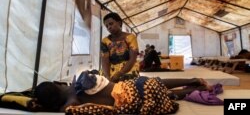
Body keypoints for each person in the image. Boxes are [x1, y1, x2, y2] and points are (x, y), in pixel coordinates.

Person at [34, 70, 213, 114]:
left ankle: (198, 88)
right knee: (160, 83)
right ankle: (195, 81)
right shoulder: (74, 82)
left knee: (165, 95)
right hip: (130, 85)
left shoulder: (70, 104)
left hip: (132, 98)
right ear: (56, 86)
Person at [101, 12, 139, 83]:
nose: (109, 27)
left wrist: (119, 74)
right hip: (111, 70)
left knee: (126, 84)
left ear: (119, 23)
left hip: (128, 69)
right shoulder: (105, 41)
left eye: (111, 24)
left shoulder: (130, 37)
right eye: (107, 26)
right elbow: (105, 61)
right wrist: (107, 77)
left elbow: (132, 59)